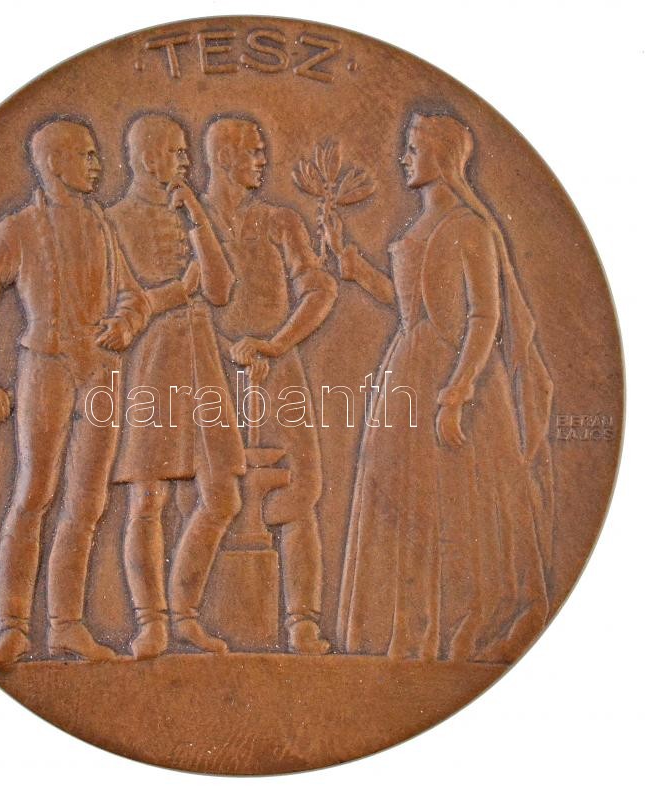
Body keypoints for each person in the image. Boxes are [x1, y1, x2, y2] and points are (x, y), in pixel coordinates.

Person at [325, 112, 553, 663]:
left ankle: (462, 625)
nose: (404, 156)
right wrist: (351, 263)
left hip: (453, 379)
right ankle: (413, 630)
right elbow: (408, 305)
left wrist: (457, 391)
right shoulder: (421, 225)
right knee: (400, 496)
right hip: (407, 368)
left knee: (456, 503)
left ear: (443, 157)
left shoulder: (470, 227)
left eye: (413, 146)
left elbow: (484, 316)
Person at [0, 117, 149, 669]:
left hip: (102, 374)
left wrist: (124, 324)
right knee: (34, 493)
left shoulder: (102, 226)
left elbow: (133, 296)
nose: (97, 164)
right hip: (45, 369)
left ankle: (67, 627)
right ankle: (14, 629)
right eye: (86, 155)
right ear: (56, 163)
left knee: (88, 502)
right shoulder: (18, 230)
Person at [106, 113, 246, 659]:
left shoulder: (190, 213)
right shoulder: (114, 221)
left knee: (222, 496)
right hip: (151, 363)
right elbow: (124, 305)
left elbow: (221, 289)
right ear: (148, 158)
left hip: (201, 360)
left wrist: (197, 219)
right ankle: (151, 622)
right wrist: (175, 293)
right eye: (177, 153)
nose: (187, 162)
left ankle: (185, 614)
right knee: (147, 497)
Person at [202, 116, 337, 654]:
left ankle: (302, 622)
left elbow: (320, 290)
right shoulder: (187, 219)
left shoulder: (280, 221)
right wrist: (225, 349)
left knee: (301, 489)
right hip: (205, 374)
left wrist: (275, 345)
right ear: (225, 158)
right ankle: (185, 621)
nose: (263, 160)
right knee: (203, 494)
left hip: (281, 374)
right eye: (254, 152)